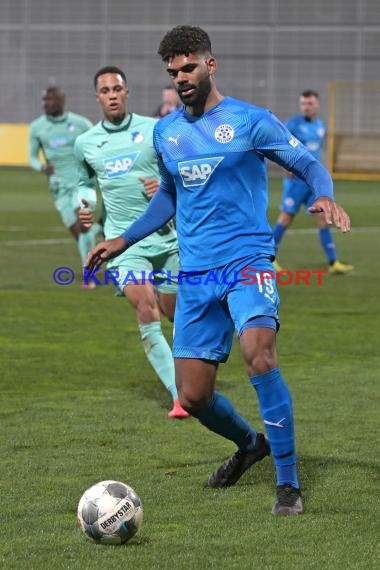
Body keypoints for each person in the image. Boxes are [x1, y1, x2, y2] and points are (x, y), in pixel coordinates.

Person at [84, 27, 351, 515]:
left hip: (248, 261)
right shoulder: (167, 131)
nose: (182, 78)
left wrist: (325, 193)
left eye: (189, 68)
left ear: (211, 64)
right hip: (197, 273)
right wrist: (123, 239)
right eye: (173, 72)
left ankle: (288, 484)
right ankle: (251, 445)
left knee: (259, 355)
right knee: (194, 395)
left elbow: (307, 164)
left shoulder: (250, 121)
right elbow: (168, 193)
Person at [75, 66, 188, 419]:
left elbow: (181, 171)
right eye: (104, 90)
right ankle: (178, 397)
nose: (111, 94)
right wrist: (86, 205)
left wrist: (165, 185)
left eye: (117, 88)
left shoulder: (154, 130)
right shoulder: (86, 143)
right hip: (124, 244)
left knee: (173, 312)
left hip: (167, 238)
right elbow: (83, 182)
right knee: (146, 309)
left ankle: (196, 372)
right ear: (97, 97)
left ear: (127, 93)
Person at [272, 90, 353, 274]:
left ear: (317, 105)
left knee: (323, 219)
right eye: (303, 104)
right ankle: (269, 260)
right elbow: (277, 147)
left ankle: (333, 263)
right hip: (295, 183)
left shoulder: (321, 126)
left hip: (312, 184)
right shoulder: (292, 125)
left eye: (309, 104)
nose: (306, 107)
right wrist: (287, 166)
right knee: (285, 219)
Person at [29, 86, 101, 286]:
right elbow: (32, 158)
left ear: (61, 101)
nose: (46, 104)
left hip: (82, 183)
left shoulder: (80, 124)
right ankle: (98, 229)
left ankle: (89, 276)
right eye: (44, 100)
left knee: (83, 226)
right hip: (59, 189)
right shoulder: (37, 128)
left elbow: (98, 146)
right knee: (78, 232)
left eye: (50, 100)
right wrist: (42, 167)